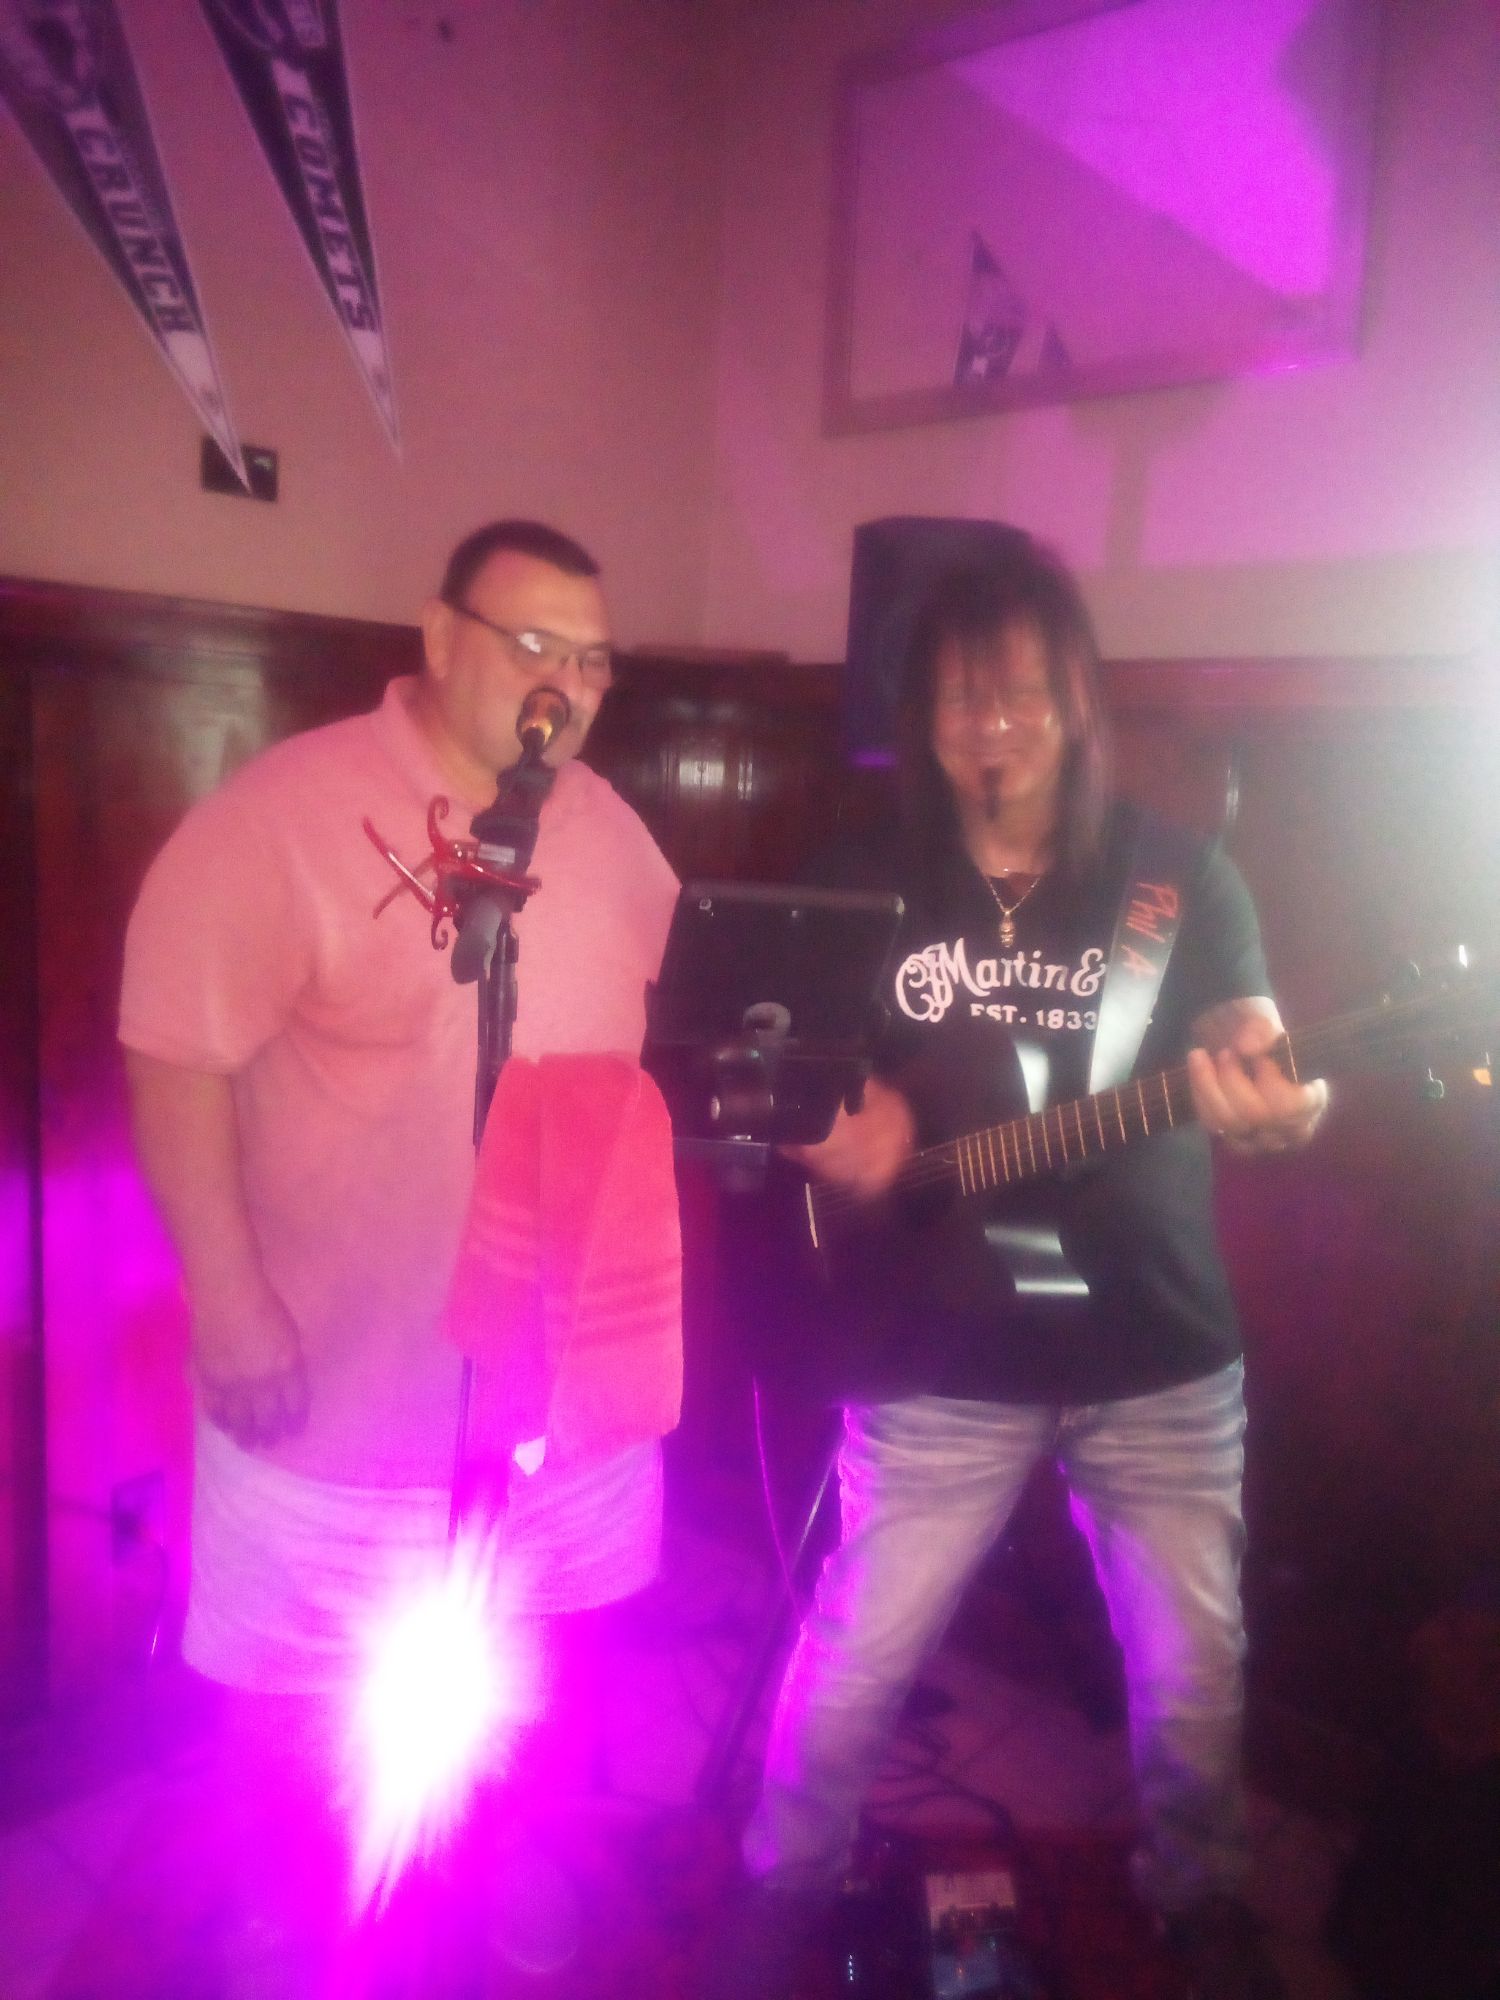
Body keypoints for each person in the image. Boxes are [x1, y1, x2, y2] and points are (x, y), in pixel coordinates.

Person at [725, 541, 1327, 2000]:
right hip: (931, 1353)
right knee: (859, 1653)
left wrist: (1288, 1099)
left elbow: (1255, 1038)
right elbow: (770, 1070)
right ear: (918, 716)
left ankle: (1201, 1899)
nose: (989, 727)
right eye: (957, 698)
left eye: (1019, 695)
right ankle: (780, 1885)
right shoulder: (860, 875)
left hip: (1157, 1353)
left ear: (1075, 702)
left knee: (1194, 1674)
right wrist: (830, 1130)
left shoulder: (1179, 877)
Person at [119, 520, 680, 1988]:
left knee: (528, 1669)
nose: (565, 684)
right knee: (299, 1701)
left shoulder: (614, 834)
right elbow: (174, 1054)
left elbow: (684, 1017)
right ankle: (294, 1906)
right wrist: (229, 1309)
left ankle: (494, 1871)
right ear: (438, 639)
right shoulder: (284, 815)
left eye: (594, 661)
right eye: (533, 644)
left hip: (555, 1399)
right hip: (336, 1392)